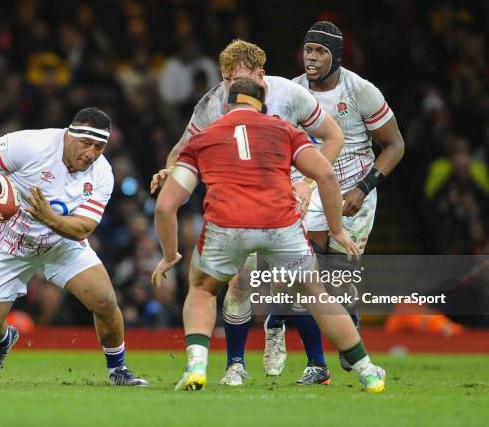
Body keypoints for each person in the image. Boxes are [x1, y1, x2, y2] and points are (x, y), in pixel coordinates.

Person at [151, 78, 386, 393]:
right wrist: (337, 229)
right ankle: (368, 373)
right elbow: (326, 174)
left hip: (227, 226)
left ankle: (197, 366)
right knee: (316, 295)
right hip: (280, 225)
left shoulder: (203, 138)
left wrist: (169, 256)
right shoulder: (284, 130)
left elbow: (166, 207)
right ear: (261, 103)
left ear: (226, 105)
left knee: (203, 289)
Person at [0, 107, 148, 386]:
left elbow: (84, 228)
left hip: (59, 244)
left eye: (99, 147)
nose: (91, 153)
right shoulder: (31, 145)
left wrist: (48, 218)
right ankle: (2, 341)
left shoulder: (102, 175)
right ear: (68, 135)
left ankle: (118, 370)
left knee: (105, 301)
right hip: (5, 241)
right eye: (86, 143)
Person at [263, 21, 405, 385]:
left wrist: (365, 187)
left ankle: (346, 336)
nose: (311, 58)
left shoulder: (360, 90)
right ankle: (315, 363)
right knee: (302, 271)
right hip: (307, 186)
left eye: (320, 51)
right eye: (307, 49)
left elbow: (395, 145)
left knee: (339, 281)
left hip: (352, 189)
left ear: (336, 56)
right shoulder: (292, 91)